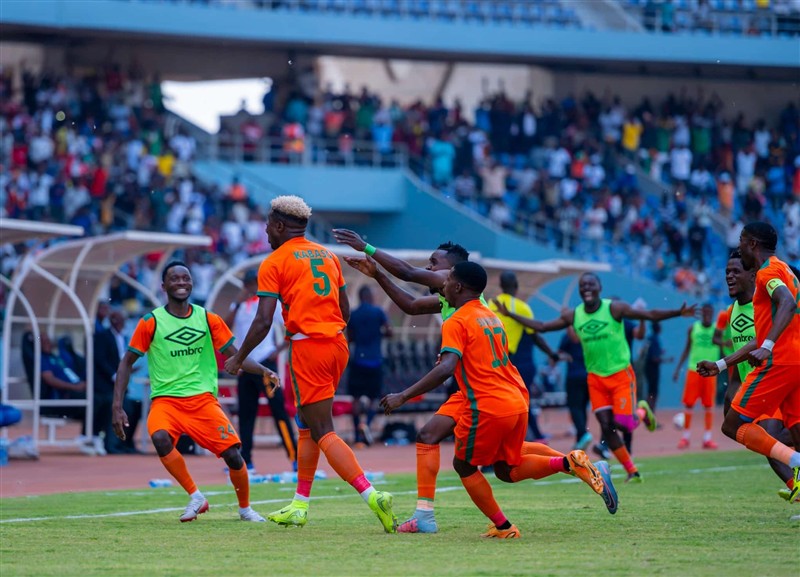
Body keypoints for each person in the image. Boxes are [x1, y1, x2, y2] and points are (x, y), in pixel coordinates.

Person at [333, 230, 617, 534]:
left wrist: (366, 247)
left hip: (482, 393)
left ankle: (509, 517)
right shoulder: (469, 307)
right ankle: (426, 515)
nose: (430, 269)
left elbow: (408, 274)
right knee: (434, 437)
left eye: (436, 264)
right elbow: (411, 306)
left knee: (471, 464)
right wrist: (378, 275)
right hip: (501, 390)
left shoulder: (458, 308)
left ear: (453, 276)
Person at [224, 196, 397, 533]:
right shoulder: (327, 255)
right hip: (336, 345)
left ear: (279, 226)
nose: (265, 232)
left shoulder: (274, 262)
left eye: (267, 226)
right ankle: (299, 505)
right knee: (306, 423)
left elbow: (263, 321)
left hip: (309, 348)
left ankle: (372, 495)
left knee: (322, 430)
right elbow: (344, 310)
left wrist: (239, 357)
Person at [496, 272, 695, 482]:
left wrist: (677, 312)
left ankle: (642, 412)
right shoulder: (575, 315)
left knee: (623, 424)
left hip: (620, 374)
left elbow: (649, 314)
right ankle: (632, 471)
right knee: (606, 426)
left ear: (599, 287)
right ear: (580, 291)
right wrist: (510, 315)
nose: (587, 288)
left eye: (591, 284)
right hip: (596, 379)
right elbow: (542, 327)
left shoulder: (614, 308)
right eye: (583, 285)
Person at [112, 261, 270, 523]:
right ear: (164, 286)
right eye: (175, 279)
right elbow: (126, 362)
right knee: (159, 438)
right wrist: (117, 406)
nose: (181, 282)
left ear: (192, 283)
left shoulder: (208, 319)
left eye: (185, 278)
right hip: (166, 402)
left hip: (203, 401)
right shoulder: (151, 322)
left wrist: (264, 370)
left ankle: (245, 509)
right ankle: (196, 496)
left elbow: (236, 355)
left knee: (233, 455)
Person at [697, 223, 800, 503]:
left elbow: (788, 304)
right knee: (795, 430)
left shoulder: (767, 273)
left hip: (779, 362)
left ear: (752, 243)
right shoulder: (785, 270)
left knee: (733, 427)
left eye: (741, 240)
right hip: (794, 360)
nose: (738, 245)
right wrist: (722, 366)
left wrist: (767, 346)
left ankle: (796, 462)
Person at [224, 268, 297, 473]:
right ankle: (246, 461)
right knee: (246, 415)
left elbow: (290, 326)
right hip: (245, 366)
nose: (251, 287)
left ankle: (295, 457)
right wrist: (237, 302)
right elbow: (224, 326)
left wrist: (278, 349)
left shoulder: (268, 302)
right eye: (248, 284)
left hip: (265, 365)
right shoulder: (238, 306)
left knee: (278, 411)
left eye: (254, 284)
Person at [489, 271, 565, 443]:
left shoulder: (490, 305)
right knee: (520, 400)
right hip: (510, 360)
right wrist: (552, 354)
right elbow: (536, 335)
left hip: (490, 359)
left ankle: (503, 437)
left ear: (500, 286)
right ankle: (530, 436)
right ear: (516, 287)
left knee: (496, 400)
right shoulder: (521, 307)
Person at [347, 285, 392, 447]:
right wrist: (379, 333)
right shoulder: (378, 312)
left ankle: (357, 436)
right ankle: (366, 424)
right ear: (369, 296)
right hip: (375, 361)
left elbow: (350, 338)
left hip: (358, 360)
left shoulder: (354, 314)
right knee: (374, 398)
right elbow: (390, 332)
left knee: (356, 399)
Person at [672, 303, 720, 450]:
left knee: (708, 405)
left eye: (710, 313)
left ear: (712, 314)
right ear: (702, 313)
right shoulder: (693, 328)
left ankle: (707, 439)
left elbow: (725, 348)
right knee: (689, 404)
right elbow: (687, 348)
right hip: (694, 369)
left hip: (710, 372)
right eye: (705, 312)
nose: (707, 315)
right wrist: (678, 369)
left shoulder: (717, 330)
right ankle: (685, 438)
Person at [558, 325, 592, 450]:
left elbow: (559, 354)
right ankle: (580, 439)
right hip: (589, 375)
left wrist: (565, 357)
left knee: (575, 407)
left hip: (574, 376)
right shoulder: (589, 333)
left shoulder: (568, 336)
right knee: (582, 407)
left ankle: (583, 434)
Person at [642, 321, 672, 414]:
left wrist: (660, 352)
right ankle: (650, 413)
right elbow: (654, 358)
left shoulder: (650, 338)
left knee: (650, 391)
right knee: (653, 392)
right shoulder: (655, 339)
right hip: (653, 369)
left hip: (648, 368)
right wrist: (667, 360)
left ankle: (647, 412)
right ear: (658, 328)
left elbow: (647, 352)